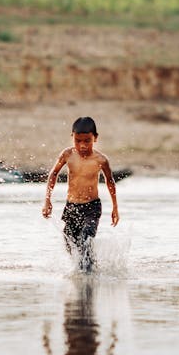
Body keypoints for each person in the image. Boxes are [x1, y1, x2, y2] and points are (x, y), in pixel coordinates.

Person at [42, 117, 120, 273]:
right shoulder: (67, 154)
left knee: (86, 238)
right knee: (69, 241)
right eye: (78, 141)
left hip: (92, 207)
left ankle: (88, 272)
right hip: (71, 206)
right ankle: (84, 268)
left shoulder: (101, 160)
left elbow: (110, 182)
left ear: (95, 138)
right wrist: (47, 201)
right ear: (72, 137)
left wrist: (115, 208)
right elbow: (53, 174)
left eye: (87, 141)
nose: (82, 145)